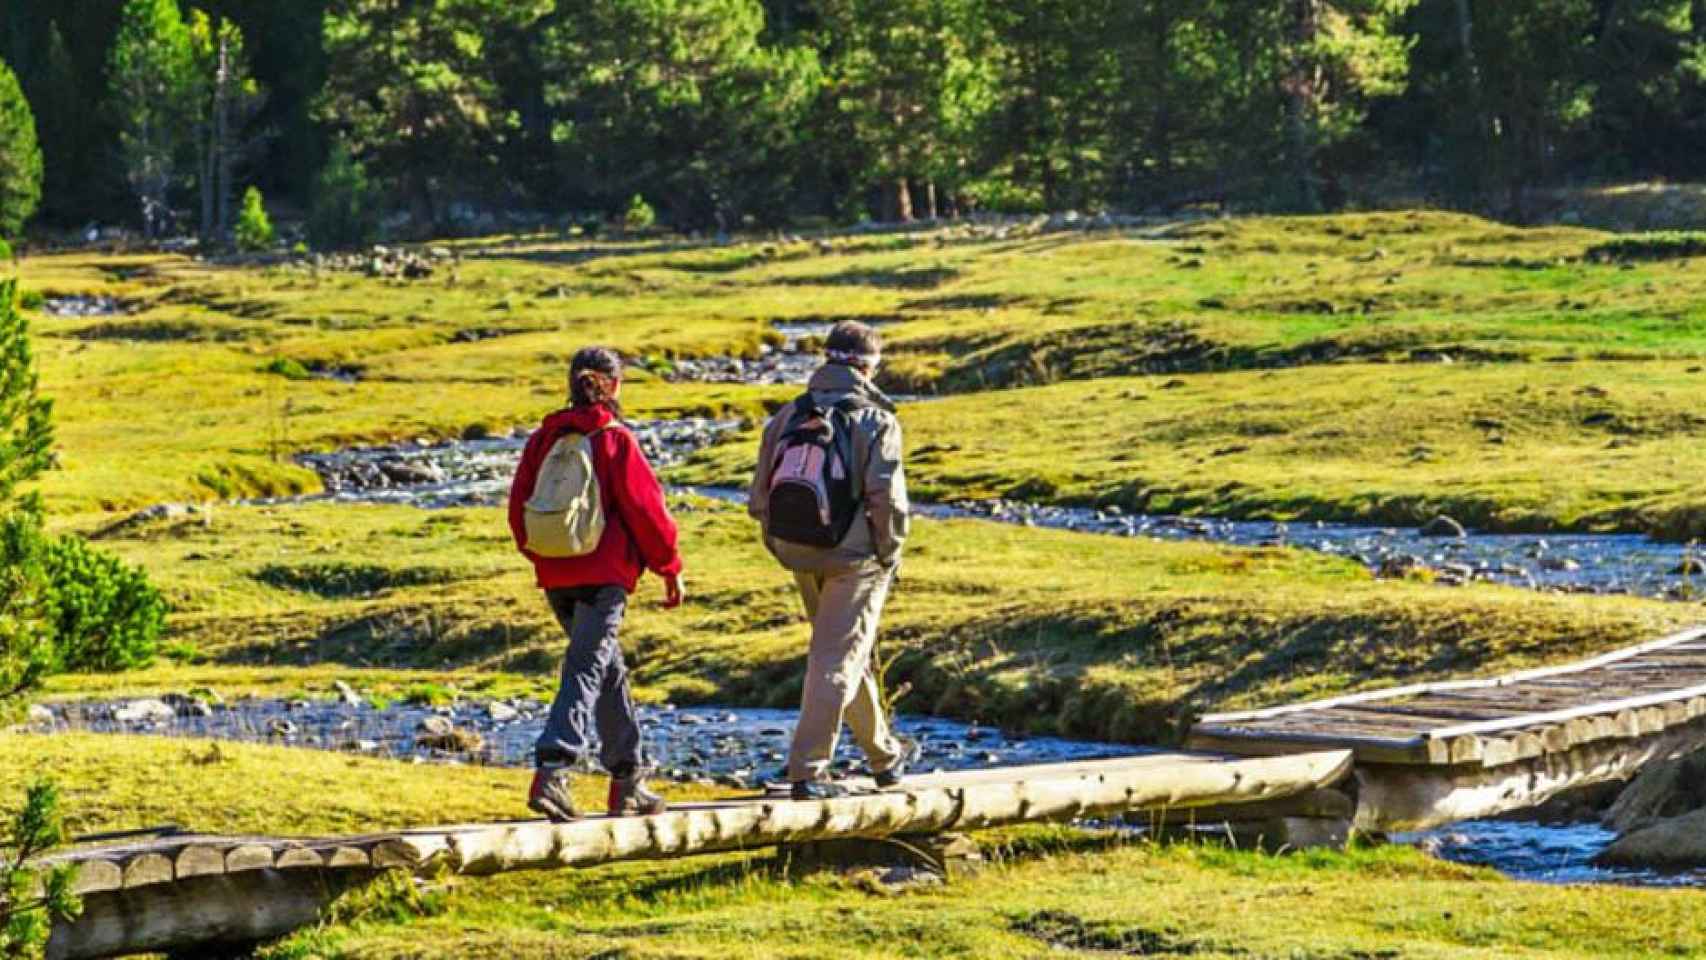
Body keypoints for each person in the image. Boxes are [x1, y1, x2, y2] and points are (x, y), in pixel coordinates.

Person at [507, 346, 685, 821]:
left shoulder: (544, 438)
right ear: (616, 385)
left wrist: (547, 558)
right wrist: (669, 568)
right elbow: (648, 513)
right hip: (605, 577)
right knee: (587, 669)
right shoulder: (614, 439)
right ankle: (554, 768)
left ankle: (628, 779)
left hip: (556, 574)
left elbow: (518, 509)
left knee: (606, 671)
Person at [750, 320, 912, 800]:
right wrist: (888, 552)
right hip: (854, 557)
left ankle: (885, 759)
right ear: (868, 366)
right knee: (836, 660)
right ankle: (808, 771)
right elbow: (888, 501)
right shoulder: (876, 420)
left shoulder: (787, 415)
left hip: (798, 551)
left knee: (842, 651)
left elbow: (760, 495)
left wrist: (781, 546)